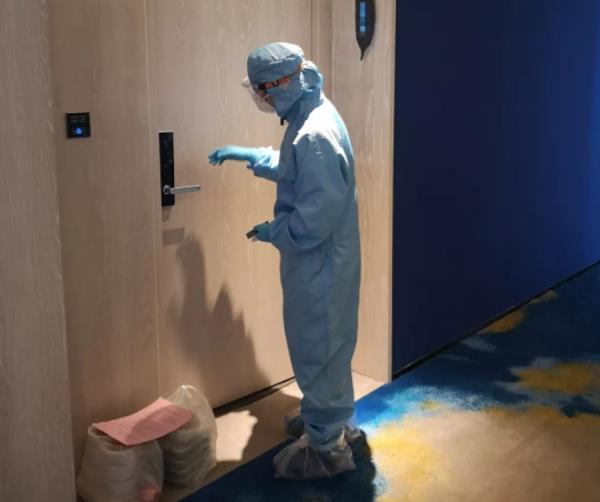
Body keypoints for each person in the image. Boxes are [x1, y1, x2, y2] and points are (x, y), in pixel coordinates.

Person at [208, 42, 361, 480]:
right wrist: (253, 156)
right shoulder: (310, 114)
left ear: (283, 82)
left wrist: (274, 231)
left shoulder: (314, 132)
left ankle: (327, 447)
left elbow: (314, 220)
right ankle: (326, 417)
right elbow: (298, 169)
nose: (261, 98)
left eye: (263, 90)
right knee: (328, 346)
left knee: (319, 346)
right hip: (324, 262)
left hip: (320, 264)